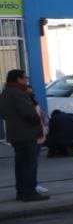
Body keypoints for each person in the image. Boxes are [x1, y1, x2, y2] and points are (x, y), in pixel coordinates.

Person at [0, 70, 49, 201]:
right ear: (18, 79)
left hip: (15, 133)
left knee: (21, 164)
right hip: (27, 133)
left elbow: (3, 114)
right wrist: (36, 120)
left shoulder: (5, 93)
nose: (27, 80)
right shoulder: (18, 93)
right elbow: (29, 113)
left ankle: (21, 191)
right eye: (25, 78)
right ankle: (29, 192)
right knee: (29, 164)